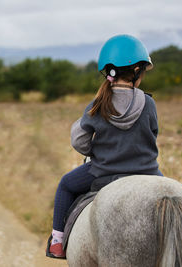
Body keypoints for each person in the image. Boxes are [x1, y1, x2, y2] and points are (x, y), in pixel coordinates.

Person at [46, 34, 163, 259]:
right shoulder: (149, 103)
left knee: (66, 185)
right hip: (148, 173)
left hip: (104, 173)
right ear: (137, 70)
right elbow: (153, 133)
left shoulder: (99, 104)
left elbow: (78, 140)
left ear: (109, 72)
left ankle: (58, 242)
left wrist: (98, 152)